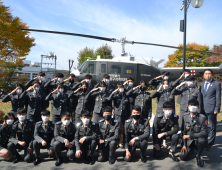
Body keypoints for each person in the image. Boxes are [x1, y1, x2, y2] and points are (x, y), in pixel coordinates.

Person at [180, 99, 208, 167]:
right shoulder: (185, 116)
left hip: (198, 140)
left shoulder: (202, 118)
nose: (192, 107)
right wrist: (184, 144)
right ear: (188, 106)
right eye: (191, 105)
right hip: (189, 142)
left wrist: (190, 136)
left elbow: (204, 133)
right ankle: (191, 149)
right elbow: (183, 131)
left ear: (198, 107)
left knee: (202, 140)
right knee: (182, 157)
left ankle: (198, 156)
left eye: (195, 105)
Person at [199, 69, 221, 151]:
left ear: (212, 74)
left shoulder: (216, 84)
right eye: (205, 73)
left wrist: (217, 108)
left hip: (212, 109)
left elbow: (218, 97)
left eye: (209, 73)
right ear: (203, 75)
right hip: (202, 109)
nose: (207, 75)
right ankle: (204, 141)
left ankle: (210, 143)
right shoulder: (201, 84)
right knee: (203, 126)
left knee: (212, 127)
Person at [108, 83, 130, 148]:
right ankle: (116, 142)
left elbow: (128, 106)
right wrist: (113, 92)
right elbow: (109, 99)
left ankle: (120, 142)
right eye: (119, 88)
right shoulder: (115, 95)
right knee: (117, 129)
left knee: (122, 129)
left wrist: (128, 115)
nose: (121, 89)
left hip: (124, 115)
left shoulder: (125, 96)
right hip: (117, 115)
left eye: (122, 88)